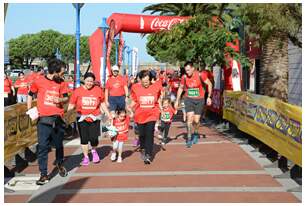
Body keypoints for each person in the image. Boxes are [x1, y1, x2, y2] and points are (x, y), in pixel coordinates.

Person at [27, 59, 69, 185]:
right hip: (43, 120)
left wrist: (60, 99)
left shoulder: (62, 82)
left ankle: (60, 163)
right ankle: (43, 174)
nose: (63, 75)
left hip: (57, 119)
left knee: (59, 145)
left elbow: (66, 97)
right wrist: (29, 109)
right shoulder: (39, 80)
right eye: (61, 73)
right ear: (54, 71)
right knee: (43, 147)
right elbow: (30, 94)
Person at [68, 72, 110, 166]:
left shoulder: (98, 90)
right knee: (84, 138)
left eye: (91, 81)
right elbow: (71, 104)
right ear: (84, 80)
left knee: (94, 138)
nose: (89, 83)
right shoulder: (77, 91)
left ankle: (94, 151)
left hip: (95, 117)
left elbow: (102, 103)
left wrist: (108, 115)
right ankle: (86, 156)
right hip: (82, 118)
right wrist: (67, 113)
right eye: (88, 81)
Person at [174, 61, 213, 148]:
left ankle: (195, 133)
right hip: (189, 99)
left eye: (188, 70)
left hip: (199, 100)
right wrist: (177, 100)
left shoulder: (200, 75)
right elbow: (180, 88)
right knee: (189, 119)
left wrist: (209, 97)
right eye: (185, 70)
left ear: (192, 68)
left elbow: (209, 84)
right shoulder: (184, 77)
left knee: (196, 121)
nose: (187, 72)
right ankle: (189, 138)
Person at [129, 70, 162, 164]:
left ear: (151, 80)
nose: (145, 84)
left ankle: (148, 154)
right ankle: (143, 148)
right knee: (142, 135)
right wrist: (129, 107)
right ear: (140, 80)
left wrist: (161, 109)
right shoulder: (135, 87)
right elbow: (134, 100)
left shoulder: (156, 87)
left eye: (147, 82)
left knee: (149, 134)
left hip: (152, 115)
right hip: (140, 115)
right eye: (143, 82)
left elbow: (158, 98)